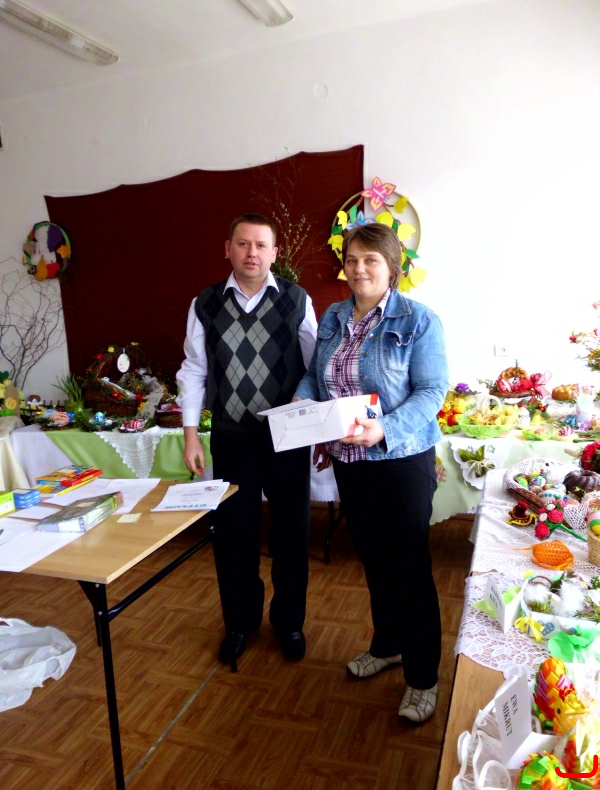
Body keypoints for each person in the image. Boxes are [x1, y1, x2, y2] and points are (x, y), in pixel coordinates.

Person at [293, 222, 448, 723]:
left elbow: (432, 392)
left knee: (410, 570)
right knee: (375, 561)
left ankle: (423, 677)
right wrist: (303, 411)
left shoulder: (419, 320)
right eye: (352, 259)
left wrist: (383, 430)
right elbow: (315, 377)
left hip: (400, 462)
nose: (359, 269)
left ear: (391, 267)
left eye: (371, 260)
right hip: (350, 463)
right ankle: (389, 645)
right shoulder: (334, 316)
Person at [176, 213, 317, 667]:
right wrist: (191, 436)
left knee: (291, 533)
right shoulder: (205, 304)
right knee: (234, 535)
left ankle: (289, 622)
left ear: (275, 253)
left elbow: (315, 369)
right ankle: (240, 622)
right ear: (228, 249)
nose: (251, 253)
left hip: (287, 437)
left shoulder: (297, 300)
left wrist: (317, 428)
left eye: (260, 245)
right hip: (231, 439)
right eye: (242, 243)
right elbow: (194, 371)